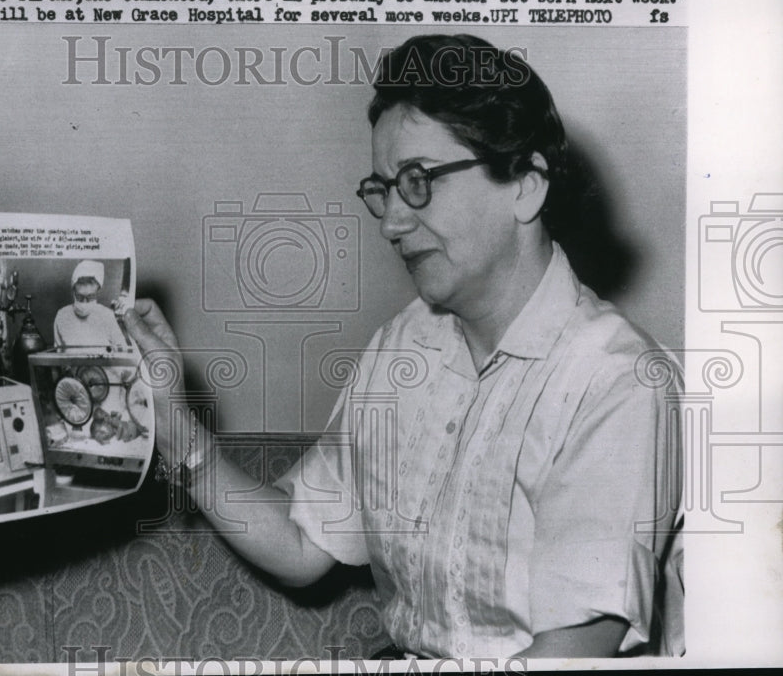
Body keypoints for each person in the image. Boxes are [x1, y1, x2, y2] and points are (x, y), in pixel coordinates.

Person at [124, 35, 683, 659]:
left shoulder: (616, 381)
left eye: (419, 181)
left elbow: (567, 659)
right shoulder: (403, 347)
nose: (391, 222)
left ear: (526, 185)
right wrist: (173, 425)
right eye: (384, 188)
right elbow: (303, 544)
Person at [54, 259, 145, 442]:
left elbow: (124, 359)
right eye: (80, 297)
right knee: (77, 438)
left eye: (90, 298)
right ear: (73, 290)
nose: (84, 302)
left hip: (109, 395)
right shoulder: (62, 317)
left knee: (109, 438)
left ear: (98, 292)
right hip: (78, 396)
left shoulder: (106, 316)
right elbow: (58, 362)